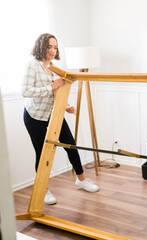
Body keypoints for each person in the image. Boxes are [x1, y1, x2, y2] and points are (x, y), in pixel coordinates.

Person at [22, 33, 99, 205]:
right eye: (49, 46)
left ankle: (81, 180)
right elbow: (26, 91)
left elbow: (57, 92)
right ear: (41, 47)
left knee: (71, 145)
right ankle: (43, 190)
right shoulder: (32, 66)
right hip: (35, 117)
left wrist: (66, 106)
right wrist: (52, 86)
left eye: (55, 47)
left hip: (53, 114)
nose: (52, 50)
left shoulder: (53, 67)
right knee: (42, 154)